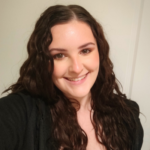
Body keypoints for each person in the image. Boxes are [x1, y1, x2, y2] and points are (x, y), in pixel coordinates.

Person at [0, 5, 143, 150]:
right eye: (59, 55)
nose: (76, 68)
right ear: (43, 61)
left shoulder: (128, 115)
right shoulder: (18, 113)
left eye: (85, 51)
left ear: (100, 52)